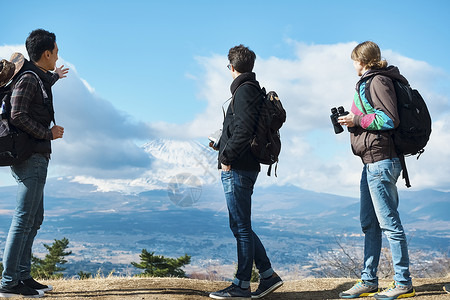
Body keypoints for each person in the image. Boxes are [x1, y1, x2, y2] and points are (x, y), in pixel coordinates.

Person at [337, 41, 415, 300]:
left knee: (389, 224)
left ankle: (403, 283)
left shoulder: (378, 81)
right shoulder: (369, 82)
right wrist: (354, 122)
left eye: (354, 60)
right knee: (370, 223)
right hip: (370, 162)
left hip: (382, 161)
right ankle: (369, 280)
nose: (353, 65)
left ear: (363, 60)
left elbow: (389, 118)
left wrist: (357, 120)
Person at [209, 45, 283, 300]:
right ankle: (268, 276)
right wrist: (221, 143)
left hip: (239, 167)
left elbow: (243, 130)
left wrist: (227, 157)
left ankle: (241, 285)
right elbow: (240, 128)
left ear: (231, 67)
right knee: (240, 225)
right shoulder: (249, 90)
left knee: (241, 227)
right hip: (242, 166)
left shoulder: (244, 91)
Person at [0, 29, 68, 298]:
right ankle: (8, 282)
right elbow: (17, 114)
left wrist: (55, 77)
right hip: (30, 156)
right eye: (56, 51)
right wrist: (46, 133)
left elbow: (41, 86)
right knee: (24, 218)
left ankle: (23, 276)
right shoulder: (29, 78)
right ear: (47, 53)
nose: (58, 55)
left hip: (34, 156)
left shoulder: (36, 77)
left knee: (34, 217)